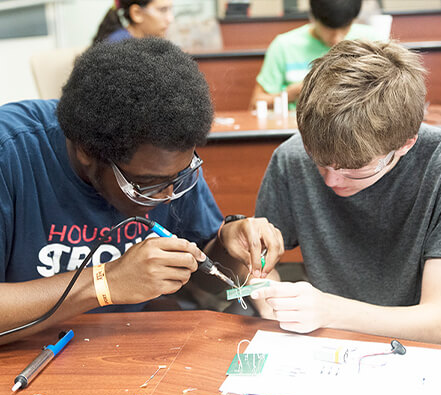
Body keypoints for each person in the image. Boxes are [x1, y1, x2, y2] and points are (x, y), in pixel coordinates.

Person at [0, 38, 283, 345]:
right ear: (86, 151)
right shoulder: (11, 154)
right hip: (27, 360)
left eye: (180, 175)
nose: (167, 195)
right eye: (146, 184)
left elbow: (204, 279)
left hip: (131, 349)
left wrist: (226, 246)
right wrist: (106, 281)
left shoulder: (167, 166)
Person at [252, 40, 441, 348]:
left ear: (405, 144)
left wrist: (328, 311)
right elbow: (259, 262)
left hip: (426, 352)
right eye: (319, 162)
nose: (331, 180)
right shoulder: (292, 157)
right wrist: (267, 296)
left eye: (354, 169)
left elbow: (439, 322)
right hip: (325, 344)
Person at [250, 0, 382, 109]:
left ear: (354, 20)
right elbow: (256, 103)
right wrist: (290, 94)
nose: (336, 38)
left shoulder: (371, 41)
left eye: (344, 27)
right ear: (313, 17)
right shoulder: (284, 45)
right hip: (298, 132)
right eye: (329, 29)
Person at [92, 0, 173, 45]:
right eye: (163, 10)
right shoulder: (117, 49)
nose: (170, 19)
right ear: (137, 13)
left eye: (170, 9)